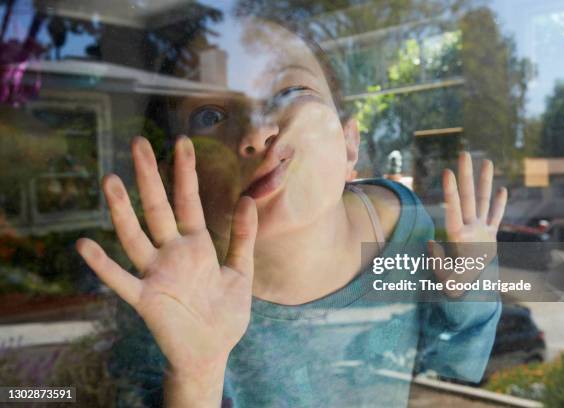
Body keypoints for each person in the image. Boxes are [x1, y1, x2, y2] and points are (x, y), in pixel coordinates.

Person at [75, 16, 507, 408]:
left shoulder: (405, 223)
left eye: (291, 91)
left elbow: (453, 377)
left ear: (349, 145)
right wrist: (195, 376)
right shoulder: (172, 303)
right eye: (209, 115)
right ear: (176, 180)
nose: (258, 130)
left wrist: (469, 287)